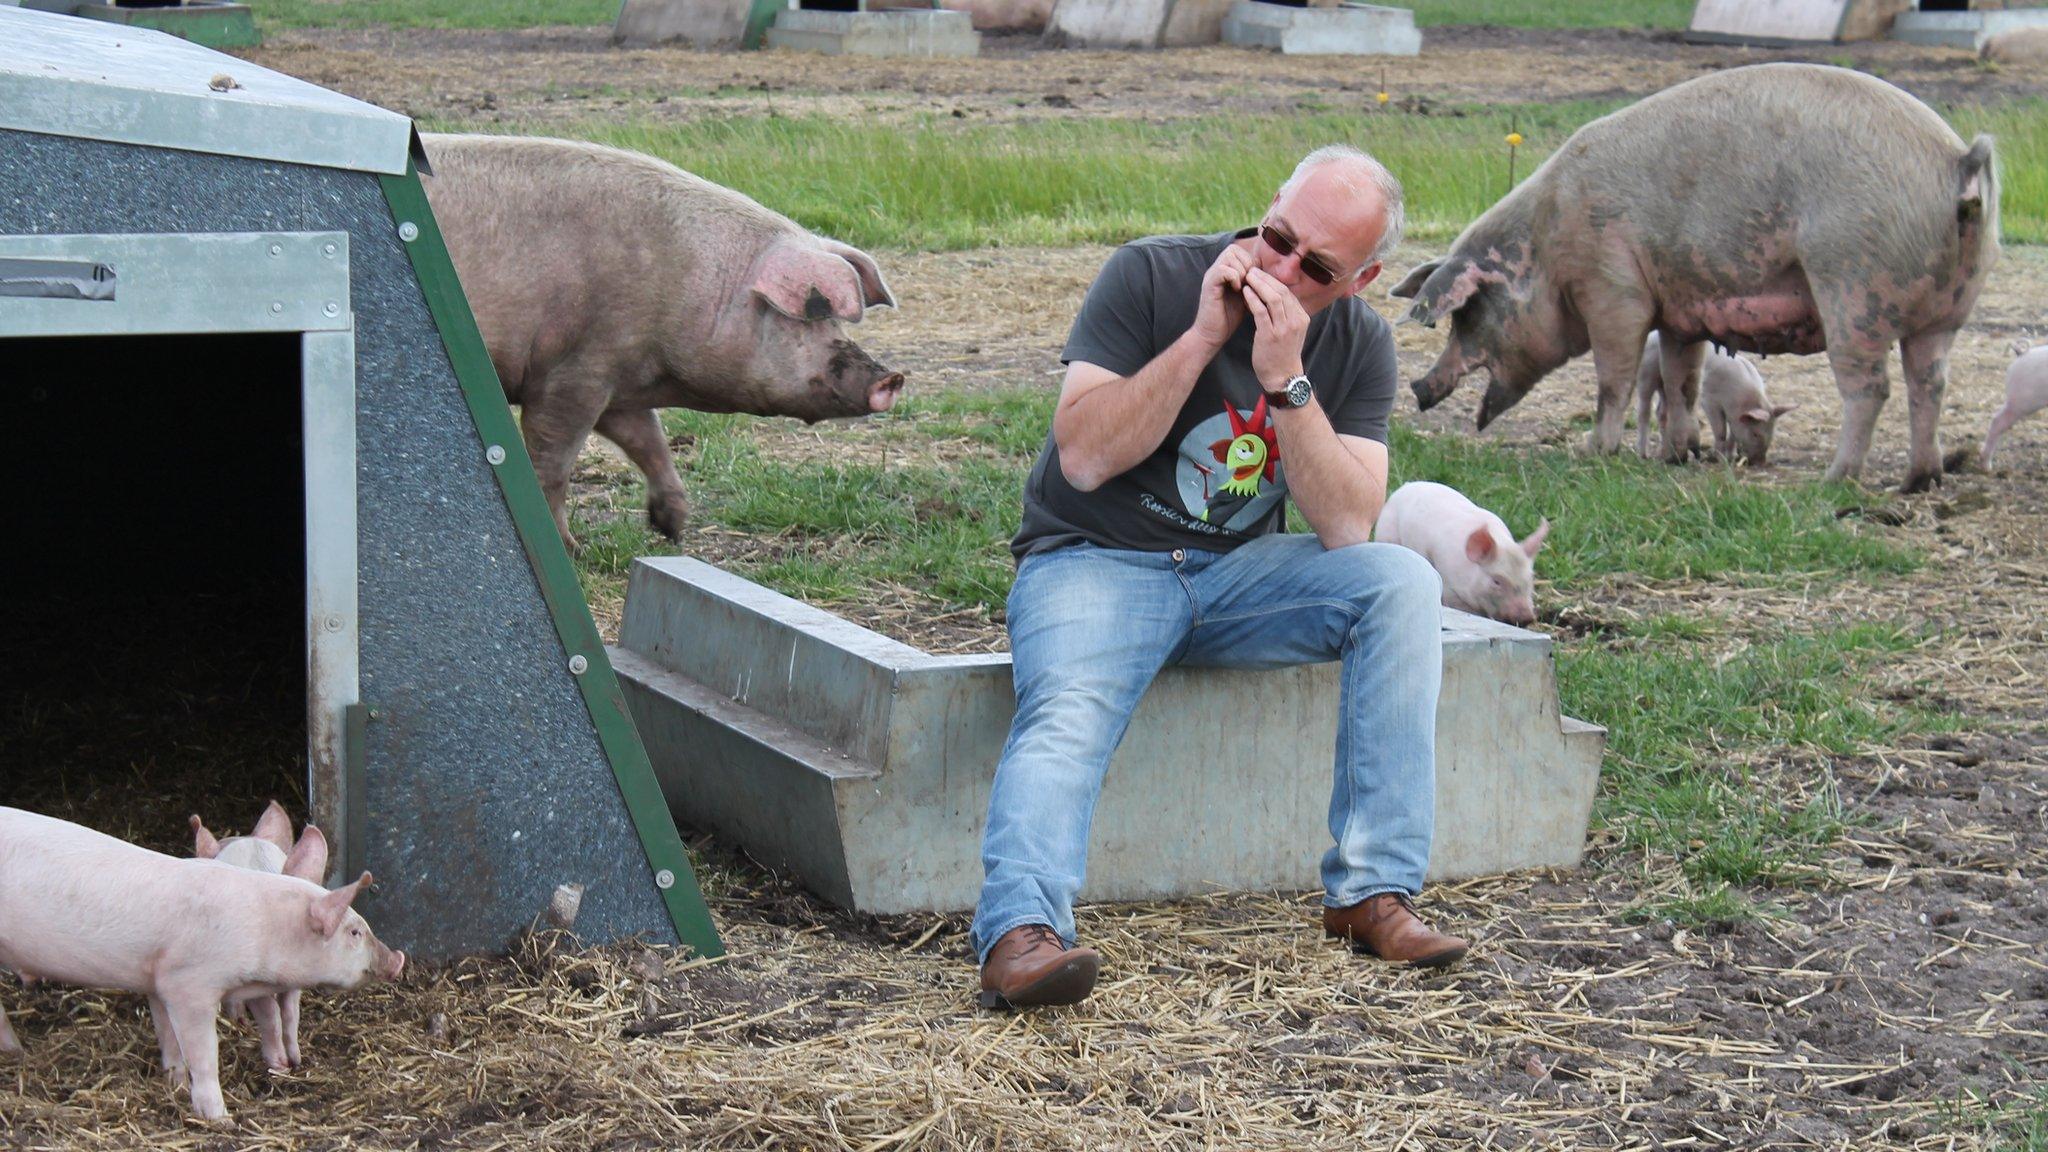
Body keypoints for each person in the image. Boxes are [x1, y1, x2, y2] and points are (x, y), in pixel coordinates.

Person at [973, 145, 1465, 1011]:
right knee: (1069, 710)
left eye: (1315, 267)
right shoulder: (1153, 275)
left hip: (1238, 579)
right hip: (1094, 561)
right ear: (1268, 205)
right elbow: (1083, 457)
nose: (1279, 269)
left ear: (1362, 278)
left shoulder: (1358, 342)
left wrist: (1288, 384)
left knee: (1401, 584)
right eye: (1277, 238)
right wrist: (1204, 338)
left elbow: (1350, 526)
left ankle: (1372, 892)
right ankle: (1020, 932)